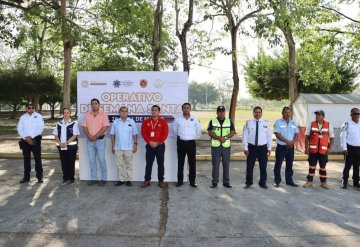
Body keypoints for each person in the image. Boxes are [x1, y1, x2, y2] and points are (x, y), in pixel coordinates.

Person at [303, 110, 334, 189]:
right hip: (313, 150)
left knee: (323, 167)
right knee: (312, 166)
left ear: (323, 116)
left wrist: (330, 148)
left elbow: (332, 138)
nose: (317, 116)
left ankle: (323, 182)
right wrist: (306, 148)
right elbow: (306, 137)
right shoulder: (311, 124)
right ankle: (309, 181)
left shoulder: (328, 125)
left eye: (319, 115)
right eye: (316, 115)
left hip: (323, 151)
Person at [243, 106, 272, 189]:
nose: (257, 114)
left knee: (263, 166)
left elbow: (269, 136)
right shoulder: (248, 122)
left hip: (263, 148)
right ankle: (248, 182)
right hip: (251, 147)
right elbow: (245, 136)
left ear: (261, 113)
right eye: (256, 112)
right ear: (253, 113)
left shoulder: (266, 123)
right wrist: (245, 148)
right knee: (249, 166)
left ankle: (262, 182)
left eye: (259, 112)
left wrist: (269, 148)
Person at [82, 98, 109, 186]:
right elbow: (84, 127)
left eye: (95, 104)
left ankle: (104, 179)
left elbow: (105, 127)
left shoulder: (103, 114)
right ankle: (94, 179)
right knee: (92, 160)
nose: (94, 105)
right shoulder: (87, 115)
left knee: (101, 160)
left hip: (100, 140)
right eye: (92, 104)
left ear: (99, 105)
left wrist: (96, 136)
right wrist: (88, 135)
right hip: (89, 141)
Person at [173, 103, 202, 188]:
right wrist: (181, 137)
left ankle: (192, 182)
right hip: (181, 142)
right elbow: (175, 130)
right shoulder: (177, 119)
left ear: (190, 109)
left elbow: (198, 130)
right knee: (180, 162)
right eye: (184, 108)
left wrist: (192, 138)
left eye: (187, 108)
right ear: (182, 109)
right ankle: (180, 181)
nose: (186, 109)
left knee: (192, 163)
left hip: (191, 143)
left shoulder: (195, 119)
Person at [141, 105, 169, 188]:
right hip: (149, 146)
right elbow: (143, 133)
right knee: (148, 163)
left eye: (156, 110)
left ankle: (161, 181)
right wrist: (149, 142)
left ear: (159, 111)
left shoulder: (163, 121)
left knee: (160, 163)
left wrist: (158, 142)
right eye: (152, 110)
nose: (154, 111)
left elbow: (165, 133)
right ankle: (147, 180)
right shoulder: (146, 121)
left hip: (160, 145)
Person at [207, 106, 235, 189]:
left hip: (226, 146)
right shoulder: (212, 121)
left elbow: (232, 132)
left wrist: (225, 138)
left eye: (223, 111)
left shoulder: (229, 121)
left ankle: (226, 182)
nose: (221, 113)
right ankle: (214, 182)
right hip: (216, 146)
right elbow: (209, 132)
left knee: (226, 164)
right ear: (217, 112)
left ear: (224, 112)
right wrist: (219, 138)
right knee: (215, 165)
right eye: (219, 111)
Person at [17, 102, 45, 184]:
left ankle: (39, 177)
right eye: (29, 108)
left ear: (34, 108)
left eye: (32, 107)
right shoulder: (23, 117)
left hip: (35, 141)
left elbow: (40, 128)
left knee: (38, 160)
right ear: (26, 108)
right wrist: (25, 137)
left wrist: (31, 137)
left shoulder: (39, 116)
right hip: (25, 142)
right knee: (26, 160)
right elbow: (19, 128)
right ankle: (26, 178)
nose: (31, 109)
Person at [110, 107, 138, 187]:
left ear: (127, 113)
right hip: (118, 147)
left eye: (126, 111)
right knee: (119, 164)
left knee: (129, 164)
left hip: (129, 147)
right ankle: (122, 180)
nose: (124, 113)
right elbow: (112, 135)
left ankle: (129, 180)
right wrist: (113, 146)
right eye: (122, 111)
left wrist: (135, 145)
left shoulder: (131, 122)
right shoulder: (116, 122)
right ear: (119, 112)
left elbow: (135, 134)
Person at [53, 108, 80, 185]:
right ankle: (65, 178)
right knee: (63, 163)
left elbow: (75, 135)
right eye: (64, 112)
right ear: (63, 114)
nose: (66, 114)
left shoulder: (74, 123)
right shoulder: (58, 124)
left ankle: (72, 179)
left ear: (70, 114)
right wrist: (59, 142)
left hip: (71, 146)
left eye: (67, 112)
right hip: (61, 146)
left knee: (71, 162)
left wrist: (67, 143)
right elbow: (56, 135)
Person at [273, 107, 299, 187]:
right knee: (278, 164)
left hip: (290, 147)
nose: (287, 114)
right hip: (281, 147)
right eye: (286, 112)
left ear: (291, 113)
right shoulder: (278, 122)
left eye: (289, 112)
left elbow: (296, 134)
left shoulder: (294, 123)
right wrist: (288, 141)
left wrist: (292, 142)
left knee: (289, 165)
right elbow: (277, 134)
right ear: (282, 113)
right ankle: (277, 181)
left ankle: (289, 181)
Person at [340, 108, 360, 189]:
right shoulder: (347, 124)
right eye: (354, 114)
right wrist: (344, 148)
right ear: (351, 115)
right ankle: (344, 181)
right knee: (347, 166)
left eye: (358, 114)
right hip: (349, 148)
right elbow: (343, 137)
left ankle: (356, 182)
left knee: (357, 166)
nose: (356, 115)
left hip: (359, 148)